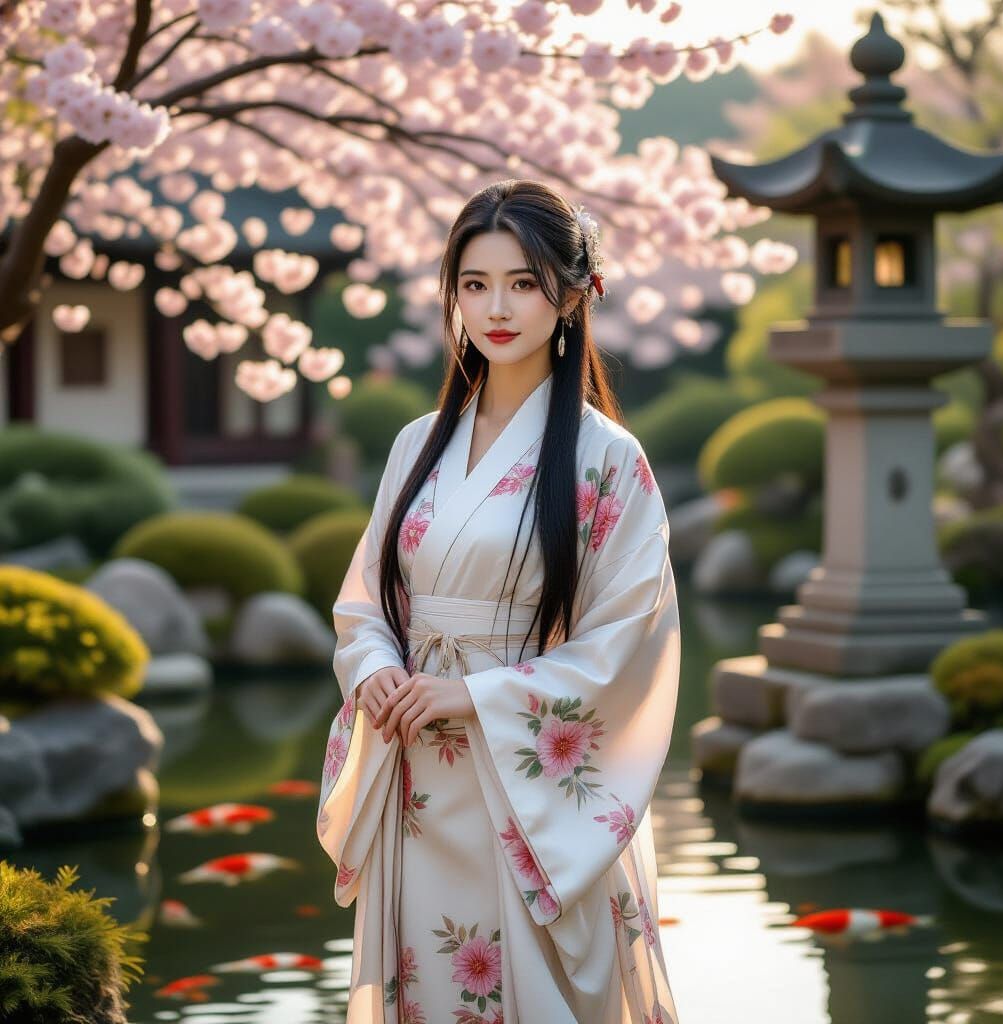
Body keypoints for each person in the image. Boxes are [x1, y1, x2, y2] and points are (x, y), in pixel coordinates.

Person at [316, 178, 681, 1024]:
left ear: (572, 289)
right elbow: (367, 596)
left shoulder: (606, 459)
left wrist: (473, 695)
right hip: (413, 765)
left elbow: (626, 642)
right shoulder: (419, 443)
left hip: (520, 786)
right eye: (474, 285)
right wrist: (373, 667)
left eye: (522, 282)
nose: (497, 308)